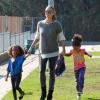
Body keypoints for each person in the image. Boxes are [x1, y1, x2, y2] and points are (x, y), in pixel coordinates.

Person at [28, 5, 66, 100]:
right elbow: (37, 37)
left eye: (49, 12)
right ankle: (43, 92)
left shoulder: (57, 24)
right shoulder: (40, 24)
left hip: (54, 53)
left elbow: (61, 38)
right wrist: (30, 49)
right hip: (42, 52)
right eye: (46, 11)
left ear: (53, 13)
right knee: (41, 72)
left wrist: (64, 49)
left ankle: (50, 94)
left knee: (52, 73)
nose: (47, 13)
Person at [65, 34, 92, 99]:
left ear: (79, 46)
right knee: (77, 81)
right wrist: (63, 54)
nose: (76, 49)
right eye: (74, 47)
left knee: (80, 78)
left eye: (77, 48)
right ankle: (78, 93)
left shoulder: (82, 50)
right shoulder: (72, 51)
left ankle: (81, 89)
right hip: (76, 68)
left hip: (82, 67)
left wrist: (89, 54)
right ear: (73, 46)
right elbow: (68, 55)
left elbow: (86, 53)